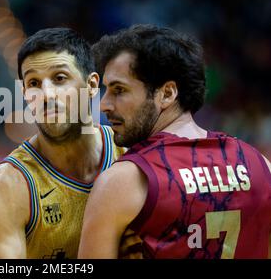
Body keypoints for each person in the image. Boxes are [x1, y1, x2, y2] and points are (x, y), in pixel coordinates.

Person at [78, 24, 271, 259]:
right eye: (105, 90)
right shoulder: (260, 165)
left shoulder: (123, 180)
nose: (103, 104)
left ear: (167, 93)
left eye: (119, 90)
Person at [0, 28, 126, 259]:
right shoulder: (6, 185)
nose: (46, 94)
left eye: (59, 78)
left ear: (92, 85)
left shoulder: (132, 153)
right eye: (34, 83)